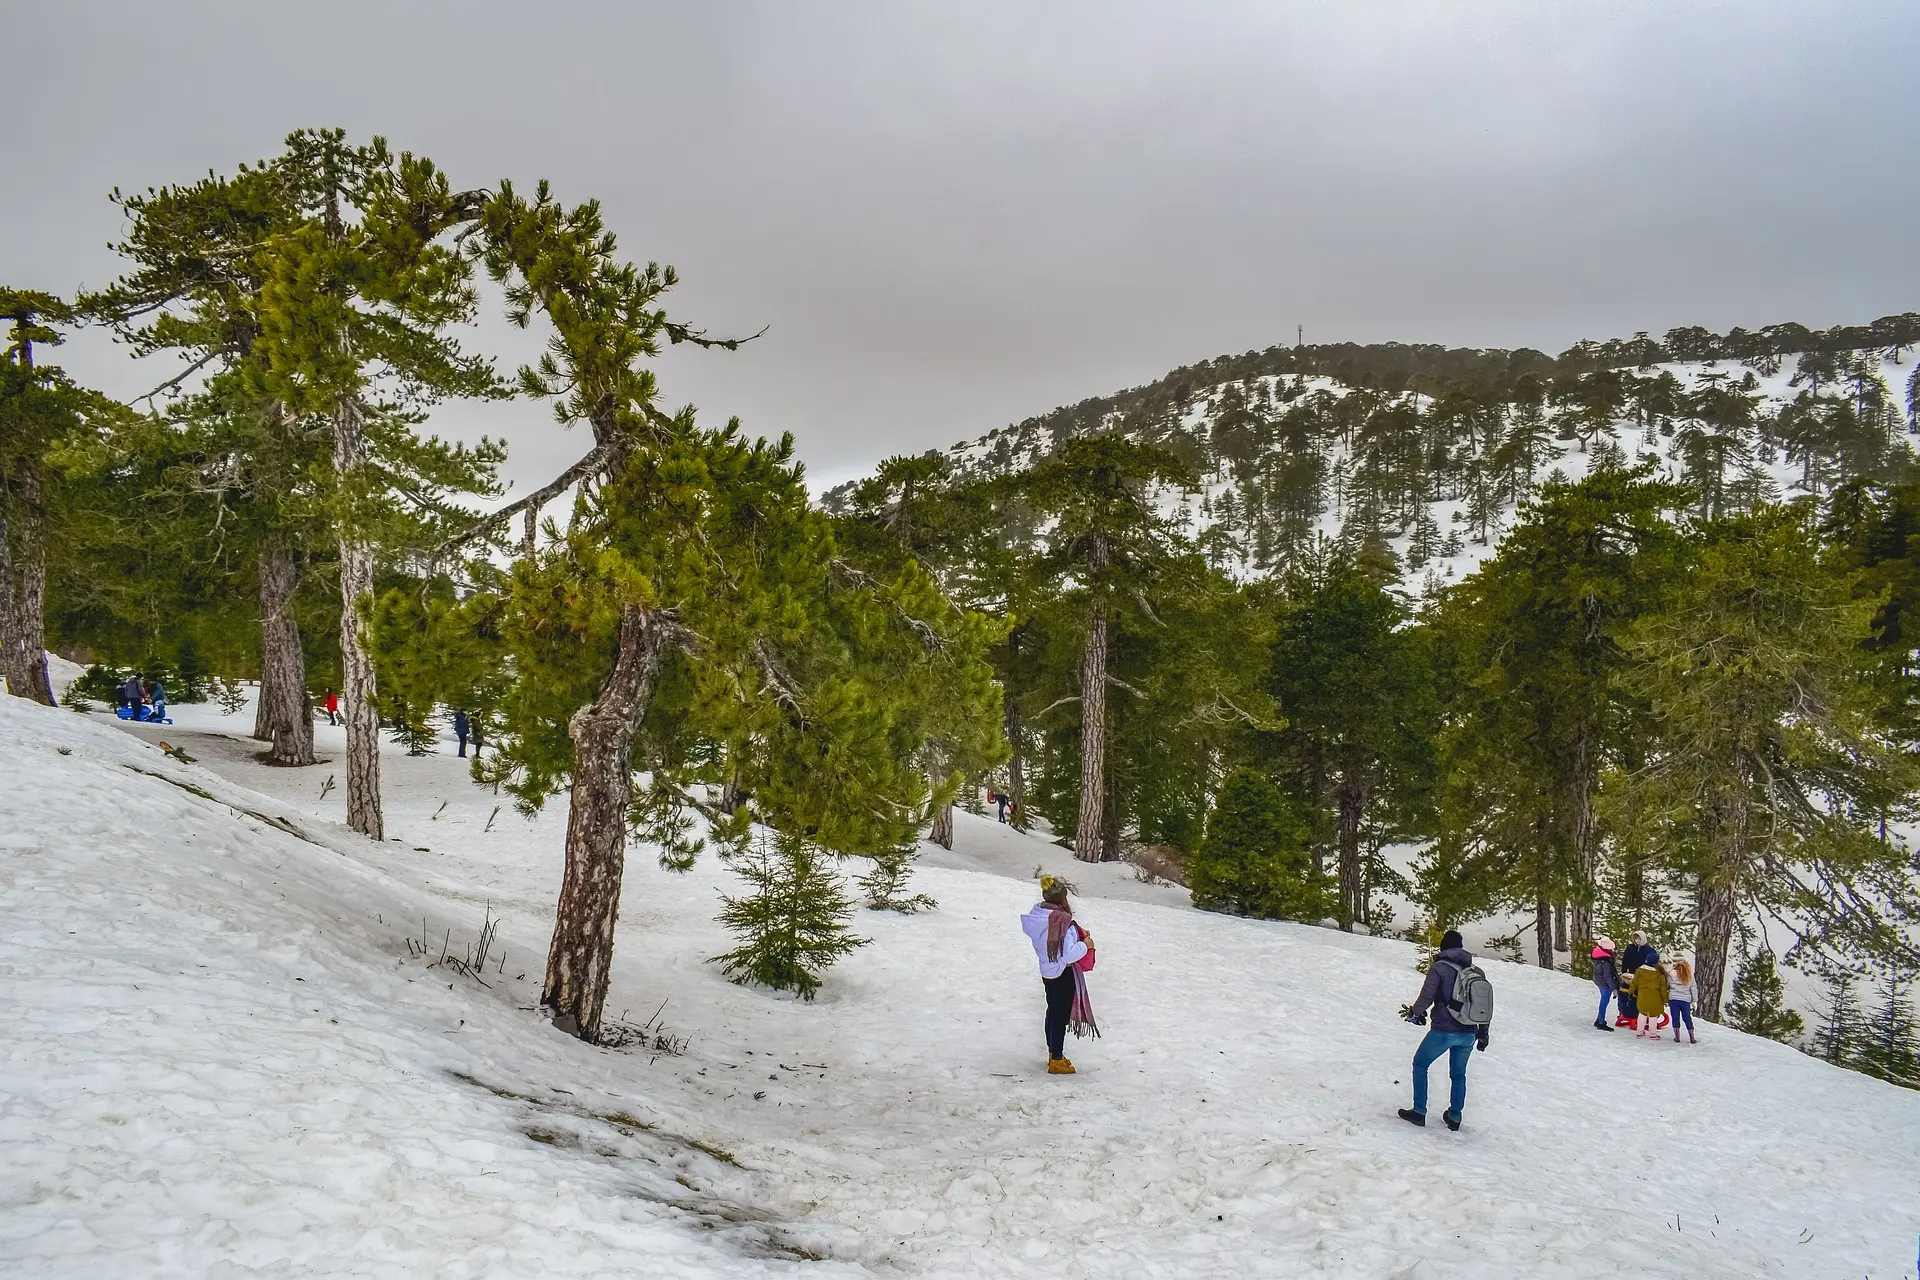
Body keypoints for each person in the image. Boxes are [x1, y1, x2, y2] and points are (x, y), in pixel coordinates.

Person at [1399, 930, 1490, 1132]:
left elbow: (1427, 996)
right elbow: (1483, 1006)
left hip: (1444, 1030)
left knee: (1420, 1063)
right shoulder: (1476, 971)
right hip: (1469, 1033)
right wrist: (1483, 1033)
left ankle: (1419, 1111)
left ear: (1443, 946)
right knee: (1458, 1075)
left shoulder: (1439, 968)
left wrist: (1415, 1013)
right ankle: (1455, 1117)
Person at [1018, 875, 1098, 1074]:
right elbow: (1068, 955)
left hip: (1047, 971)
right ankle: (1056, 1059)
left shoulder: (1038, 917)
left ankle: (1053, 1052)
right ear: (1063, 898)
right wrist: (1085, 944)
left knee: (1052, 1011)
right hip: (1062, 972)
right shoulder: (1063, 923)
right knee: (1060, 1016)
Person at [1631, 956, 1670, 1040]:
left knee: (1642, 1014)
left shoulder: (1639, 971)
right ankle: (1653, 1034)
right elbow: (1663, 990)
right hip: (1655, 999)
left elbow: (1634, 983)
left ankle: (1639, 1032)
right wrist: (1665, 1000)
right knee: (1653, 1017)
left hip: (1642, 997)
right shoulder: (1660, 975)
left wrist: (1631, 992)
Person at [1590, 936, 1619, 1031]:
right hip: (1604, 984)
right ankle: (1600, 1021)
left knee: (1603, 1000)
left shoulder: (1597, 956)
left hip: (1599, 981)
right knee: (1604, 1001)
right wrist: (1614, 988)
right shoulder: (1605, 962)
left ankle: (1599, 1019)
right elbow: (1608, 977)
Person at [1667, 957, 1698, 1044]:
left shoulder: (1671, 974)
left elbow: (1667, 985)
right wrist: (1694, 1000)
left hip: (1674, 999)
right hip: (1685, 1000)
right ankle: (1692, 1037)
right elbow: (1693, 988)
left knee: (1675, 1017)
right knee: (1687, 1018)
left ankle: (1677, 1037)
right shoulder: (1689, 976)